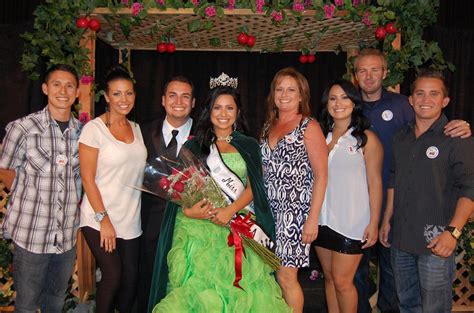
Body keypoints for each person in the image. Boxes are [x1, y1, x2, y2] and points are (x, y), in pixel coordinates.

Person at [148, 74, 290, 313]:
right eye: (217, 107)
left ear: (237, 112)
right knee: (199, 293)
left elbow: (255, 186)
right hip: (198, 231)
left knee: (239, 293)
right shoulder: (193, 146)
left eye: (229, 108)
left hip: (237, 223)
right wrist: (189, 211)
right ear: (208, 110)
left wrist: (230, 210)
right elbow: (183, 190)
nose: (223, 114)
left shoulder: (248, 144)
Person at [353, 48, 472, 313]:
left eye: (433, 94)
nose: (425, 99)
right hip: (399, 236)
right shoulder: (402, 138)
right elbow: (395, 179)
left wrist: (453, 232)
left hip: (435, 238)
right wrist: (387, 220)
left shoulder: (455, 138)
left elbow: (469, 188)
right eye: (420, 93)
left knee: (433, 307)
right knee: (406, 304)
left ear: (445, 100)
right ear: (411, 99)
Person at [0, 64, 82, 313]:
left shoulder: (83, 133)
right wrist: (28, 194)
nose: (63, 91)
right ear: (45, 88)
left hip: (66, 235)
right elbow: (4, 168)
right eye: (56, 84)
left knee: (55, 299)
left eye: (69, 86)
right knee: (26, 302)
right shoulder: (23, 128)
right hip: (32, 233)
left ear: (77, 92)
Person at [78, 64, 147, 313]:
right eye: (116, 94)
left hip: (130, 220)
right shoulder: (93, 130)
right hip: (99, 218)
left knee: (130, 281)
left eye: (129, 93)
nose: (123, 99)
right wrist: (103, 219)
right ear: (106, 97)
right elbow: (87, 178)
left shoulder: (138, 130)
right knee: (113, 277)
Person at [261, 67, 328, 313]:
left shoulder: (309, 126)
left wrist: (312, 220)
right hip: (269, 214)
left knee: (287, 277)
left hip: (295, 216)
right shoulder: (269, 125)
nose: (284, 94)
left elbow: (322, 176)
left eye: (291, 89)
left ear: (301, 96)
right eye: (279, 89)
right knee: (272, 275)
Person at [314, 79, 383, 312]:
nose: (338, 103)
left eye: (344, 97)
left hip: (351, 223)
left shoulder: (367, 139)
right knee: (330, 278)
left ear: (355, 102)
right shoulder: (318, 137)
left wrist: (374, 223)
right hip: (321, 220)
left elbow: (375, 183)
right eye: (333, 98)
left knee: (344, 282)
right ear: (326, 104)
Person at [137, 75, 196, 313]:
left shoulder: (205, 136)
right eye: (172, 95)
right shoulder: (141, 131)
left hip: (190, 225)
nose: (178, 101)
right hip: (148, 223)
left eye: (185, 96)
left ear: (193, 103)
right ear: (163, 100)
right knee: (148, 283)